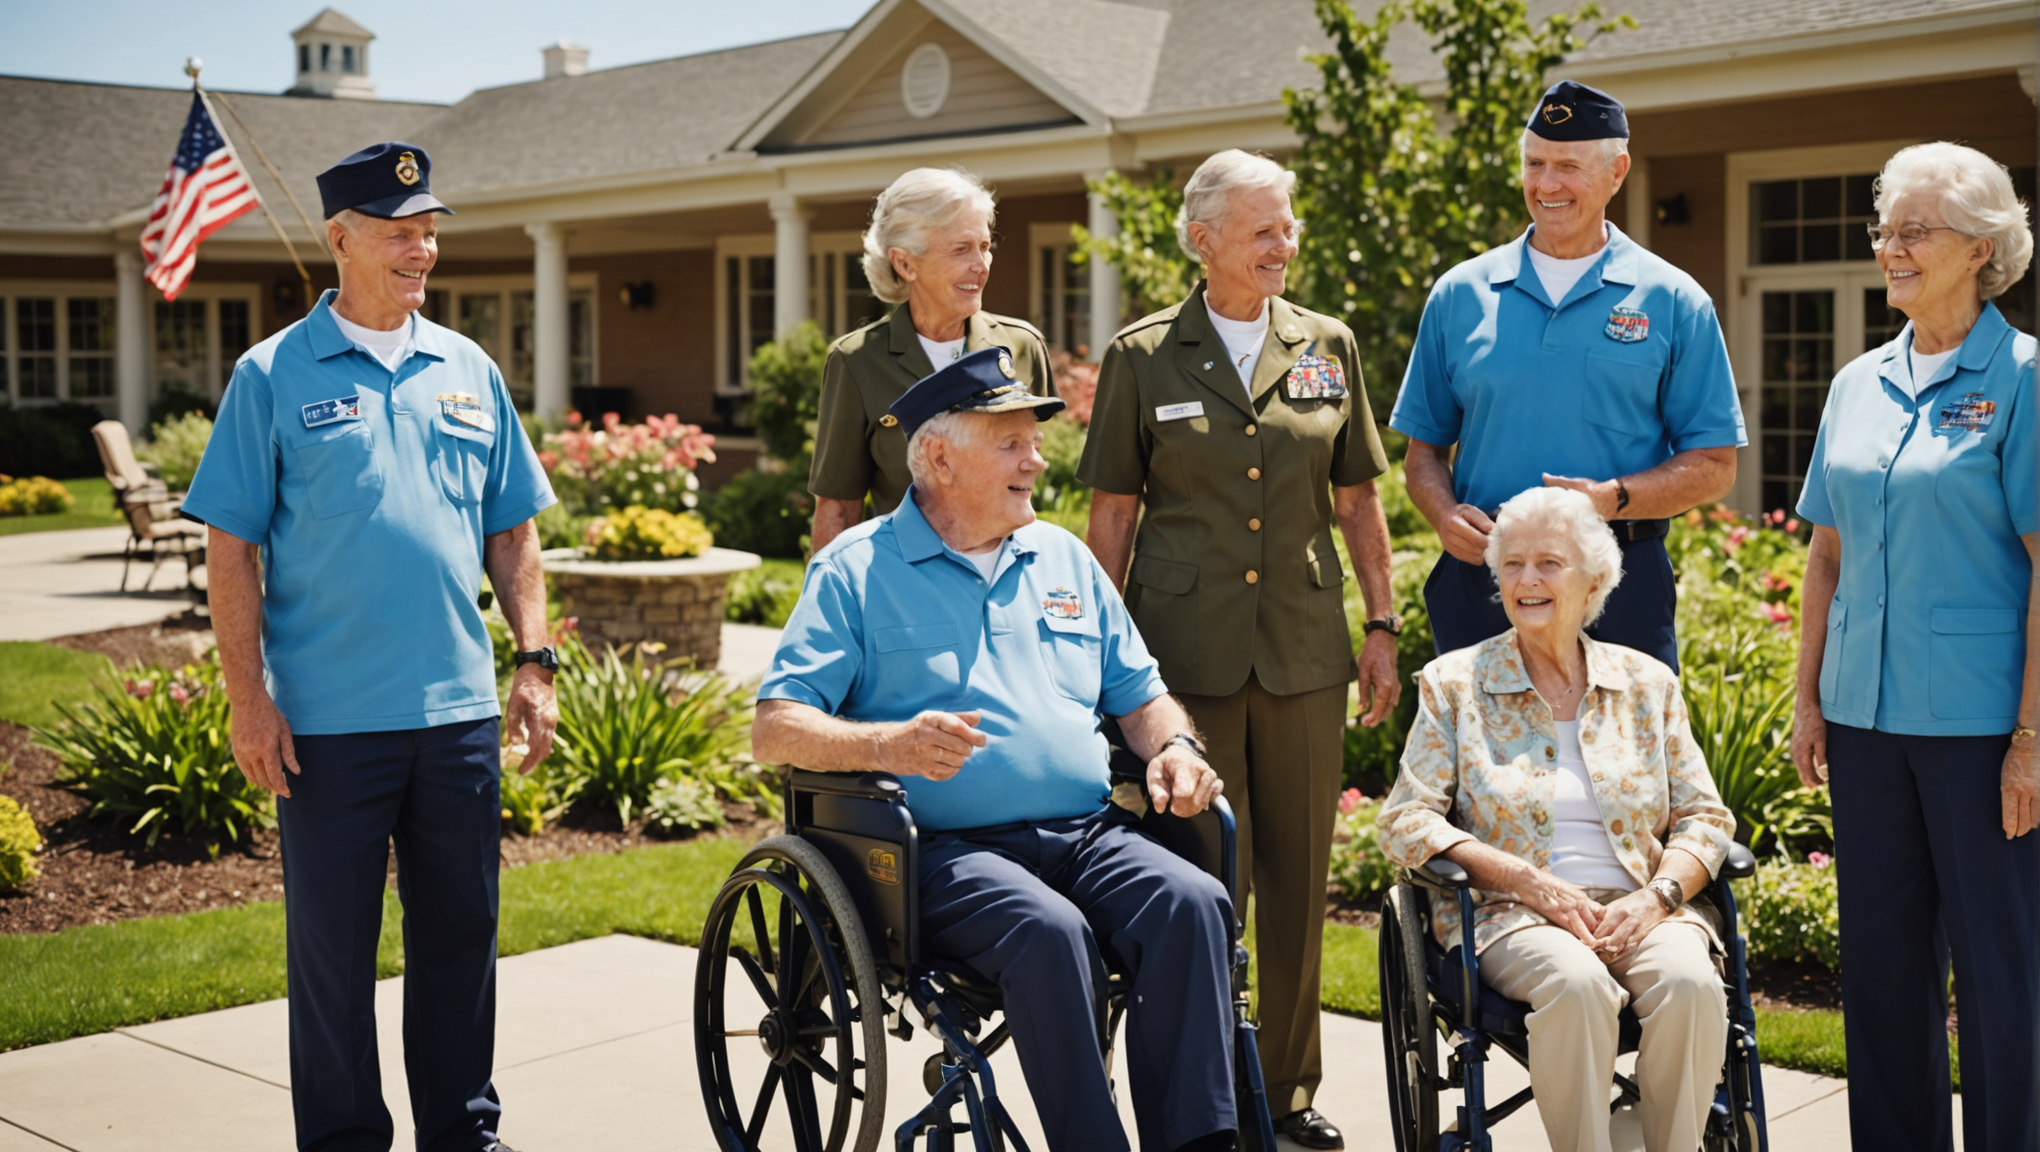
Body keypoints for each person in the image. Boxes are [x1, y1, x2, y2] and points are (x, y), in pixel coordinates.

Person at [754, 348, 1238, 1152]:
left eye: (1033, 441)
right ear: (940, 457)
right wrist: (890, 743)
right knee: (1050, 935)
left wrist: (1177, 747)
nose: (1037, 459)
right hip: (944, 855)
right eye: (1011, 441)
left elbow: (1142, 696)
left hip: (1085, 833)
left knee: (1192, 903)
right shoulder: (856, 569)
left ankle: (1198, 1144)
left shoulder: (1064, 557)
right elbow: (776, 726)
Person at [180, 142, 558, 1152]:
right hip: (329, 727)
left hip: (457, 720)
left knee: (458, 946)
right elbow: (231, 553)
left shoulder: (468, 367)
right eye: (399, 232)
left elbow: (513, 529)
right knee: (334, 961)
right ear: (339, 238)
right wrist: (247, 701)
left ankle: (461, 1134)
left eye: (429, 229)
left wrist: (534, 660)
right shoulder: (271, 375)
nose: (422, 247)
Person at [1078, 148, 1397, 1150]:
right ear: (1203, 239)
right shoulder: (1142, 356)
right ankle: (1213, 1102)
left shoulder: (1325, 345)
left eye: (1289, 224)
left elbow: (1357, 500)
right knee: (1207, 885)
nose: (1284, 242)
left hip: (1304, 653)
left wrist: (1381, 627)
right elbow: (1112, 521)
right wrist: (1098, 659)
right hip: (1183, 665)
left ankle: (1289, 1095)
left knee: (1299, 884)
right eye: (1263, 228)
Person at [1789, 142, 2039, 1152]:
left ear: (1982, 248)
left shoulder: (2023, 380)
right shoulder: (1856, 382)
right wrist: (1807, 700)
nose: (1892, 247)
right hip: (1863, 724)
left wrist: (2031, 738)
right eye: (1886, 228)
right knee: (1882, 966)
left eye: (1915, 230)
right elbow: (1823, 556)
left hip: (1981, 732)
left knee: (1999, 972)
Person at [1379, 486, 1737, 1152]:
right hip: (1512, 916)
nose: (1527, 580)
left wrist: (1658, 898)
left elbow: (1705, 817)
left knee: (1691, 983)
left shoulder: (1647, 683)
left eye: (1549, 563)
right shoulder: (1455, 684)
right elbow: (1406, 820)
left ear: (1594, 577)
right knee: (1576, 987)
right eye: (1512, 564)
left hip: (1641, 906)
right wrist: (1524, 880)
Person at [1391, 80, 1746, 670]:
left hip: (1619, 587)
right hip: (1486, 586)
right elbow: (1423, 452)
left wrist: (1614, 499)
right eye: (1534, 164)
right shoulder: (1459, 294)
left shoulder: (1676, 300)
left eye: (1567, 166)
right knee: (1480, 763)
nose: (1546, 184)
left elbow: (1714, 467)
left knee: (1620, 763)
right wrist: (1443, 514)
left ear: (1617, 171)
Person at [808, 166, 1056, 553]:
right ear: (905, 264)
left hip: (1006, 580)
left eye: (985, 246)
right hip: (903, 586)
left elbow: (1028, 470)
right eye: (961, 249)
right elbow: (839, 508)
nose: (981, 265)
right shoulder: (856, 362)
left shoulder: (1022, 346)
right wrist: (825, 607)